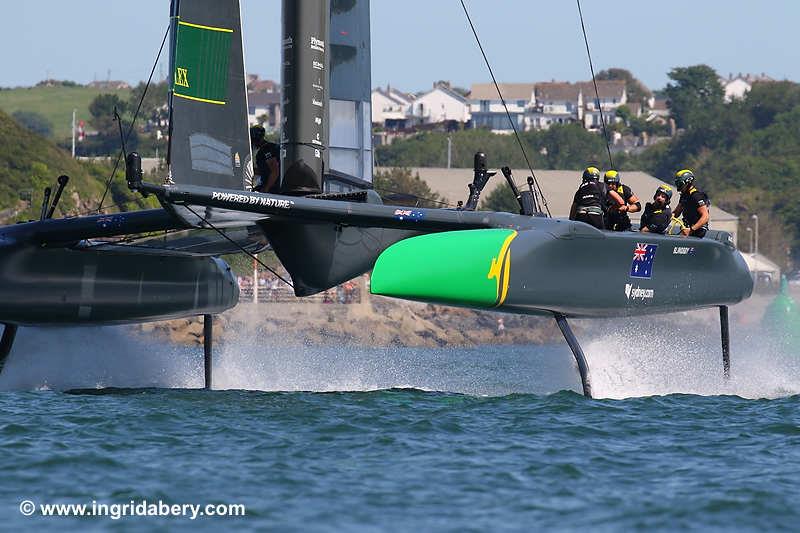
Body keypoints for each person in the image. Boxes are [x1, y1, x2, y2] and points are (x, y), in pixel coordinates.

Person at [672, 169, 710, 238]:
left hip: (698, 231)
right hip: (687, 229)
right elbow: (676, 213)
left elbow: (705, 217)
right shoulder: (684, 195)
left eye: (680, 184)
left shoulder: (696, 196)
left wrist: (691, 229)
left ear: (688, 182)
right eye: (677, 184)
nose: (678, 187)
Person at [250, 125, 281, 193]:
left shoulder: (266, 150)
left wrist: (266, 188)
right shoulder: (268, 148)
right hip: (272, 186)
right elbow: (265, 170)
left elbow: (275, 171)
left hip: (274, 189)